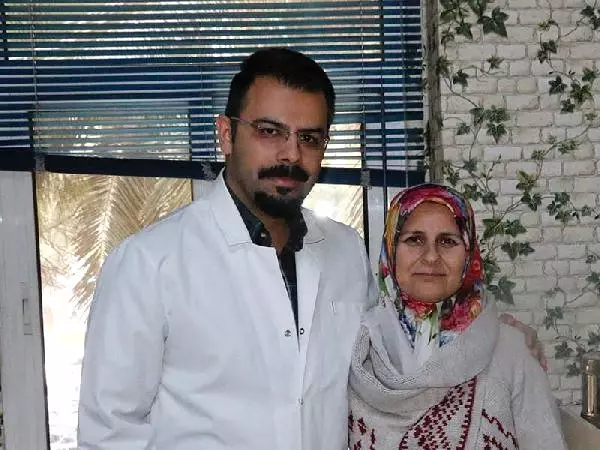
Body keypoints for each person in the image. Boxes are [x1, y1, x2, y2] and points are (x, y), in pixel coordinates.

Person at [78, 47, 545, 449]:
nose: (290, 154)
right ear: (226, 134)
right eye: (269, 131)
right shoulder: (149, 263)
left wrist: (492, 333)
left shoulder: (345, 251)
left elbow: (399, 347)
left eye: (309, 138)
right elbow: (110, 432)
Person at [348, 184, 567, 449]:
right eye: (414, 240)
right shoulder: (357, 350)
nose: (431, 256)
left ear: (468, 253)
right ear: (390, 250)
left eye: (447, 241)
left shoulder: (510, 351)